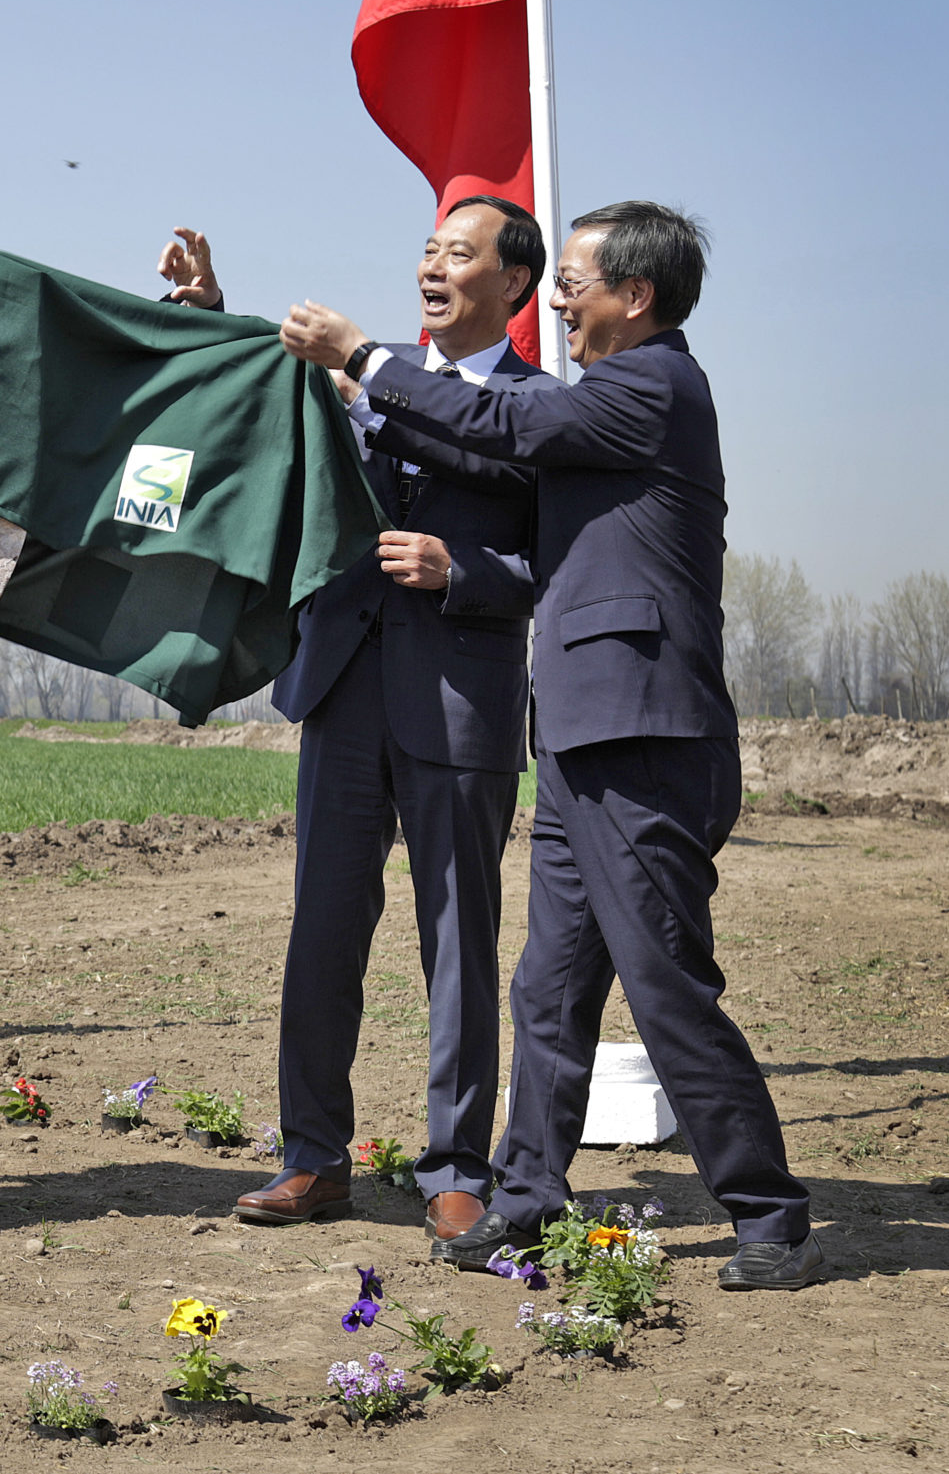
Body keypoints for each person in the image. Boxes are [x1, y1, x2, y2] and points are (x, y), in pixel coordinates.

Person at [284, 200, 822, 1291]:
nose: (561, 299)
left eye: (574, 280)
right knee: (547, 989)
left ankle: (769, 1214)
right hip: (581, 732)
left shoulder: (651, 387)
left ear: (636, 295)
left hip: (645, 735)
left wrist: (367, 357)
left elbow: (497, 431)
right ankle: (528, 1195)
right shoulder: (608, 400)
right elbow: (466, 438)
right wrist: (353, 386)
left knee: (663, 982)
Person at [162, 202, 554, 1246]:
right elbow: (273, 401)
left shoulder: (541, 411)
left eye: (458, 254)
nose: (433, 268)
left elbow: (556, 568)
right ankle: (310, 1158)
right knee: (321, 933)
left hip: (461, 704)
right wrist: (212, 313)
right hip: (341, 688)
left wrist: (459, 569)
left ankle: (458, 1168)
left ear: (514, 285)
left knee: (458, 944)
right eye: (427, 251)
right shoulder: (366, 387)